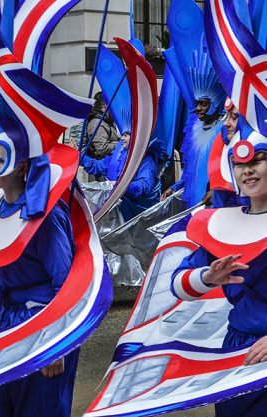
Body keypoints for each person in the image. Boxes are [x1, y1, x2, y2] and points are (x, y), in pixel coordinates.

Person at [171, 131, 267, 417]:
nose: (247, 169)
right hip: (238, 349)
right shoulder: (222, 224)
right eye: (238, 164)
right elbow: (178, 284)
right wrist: (208, 278)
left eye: (260, 160)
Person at [0, 143, 78, 417]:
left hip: (42, 326)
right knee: (0, 406)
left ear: (22, 166)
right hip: (7, 323)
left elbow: (66, 284)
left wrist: (56, 347)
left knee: (38, 408)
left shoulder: (45, 217)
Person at [160, 37, 225, 207]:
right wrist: (175, 187)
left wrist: (219, 191)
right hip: (194, 204)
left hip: (216, 204)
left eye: (203, 103)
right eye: (196, 103)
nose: (198, 108)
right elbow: (190, 170)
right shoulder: (194, 128)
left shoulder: (226, 130)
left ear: (216, 103)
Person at [81, 132, 160, 222]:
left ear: (136, 137)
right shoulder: (119, 153)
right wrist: (79, 155)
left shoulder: (146, 161)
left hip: (134, 216)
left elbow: (144, 186)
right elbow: (98, 166)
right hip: (115, 211)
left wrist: (121, 185)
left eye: (126, 135)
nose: (122, 138)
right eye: (122, 135)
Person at [85, 91, 118, 160]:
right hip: (100, 165)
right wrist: (120, 144)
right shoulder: (97, 124)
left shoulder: (106, 120)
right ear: (106, 105)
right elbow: (102, 149)